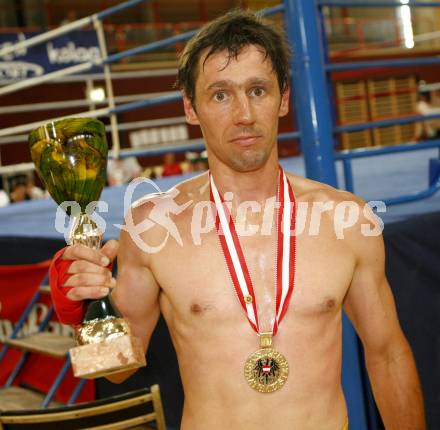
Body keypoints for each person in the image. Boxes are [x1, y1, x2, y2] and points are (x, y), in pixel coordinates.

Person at [49, 10, 425, 430]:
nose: (244, 114)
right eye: (221, 95)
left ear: (283, 99)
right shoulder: (152, 227)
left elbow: (388, 353)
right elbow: (116, 370)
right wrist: (85, 308)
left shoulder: (347, 220)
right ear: (191, 108)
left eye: (258, 90)